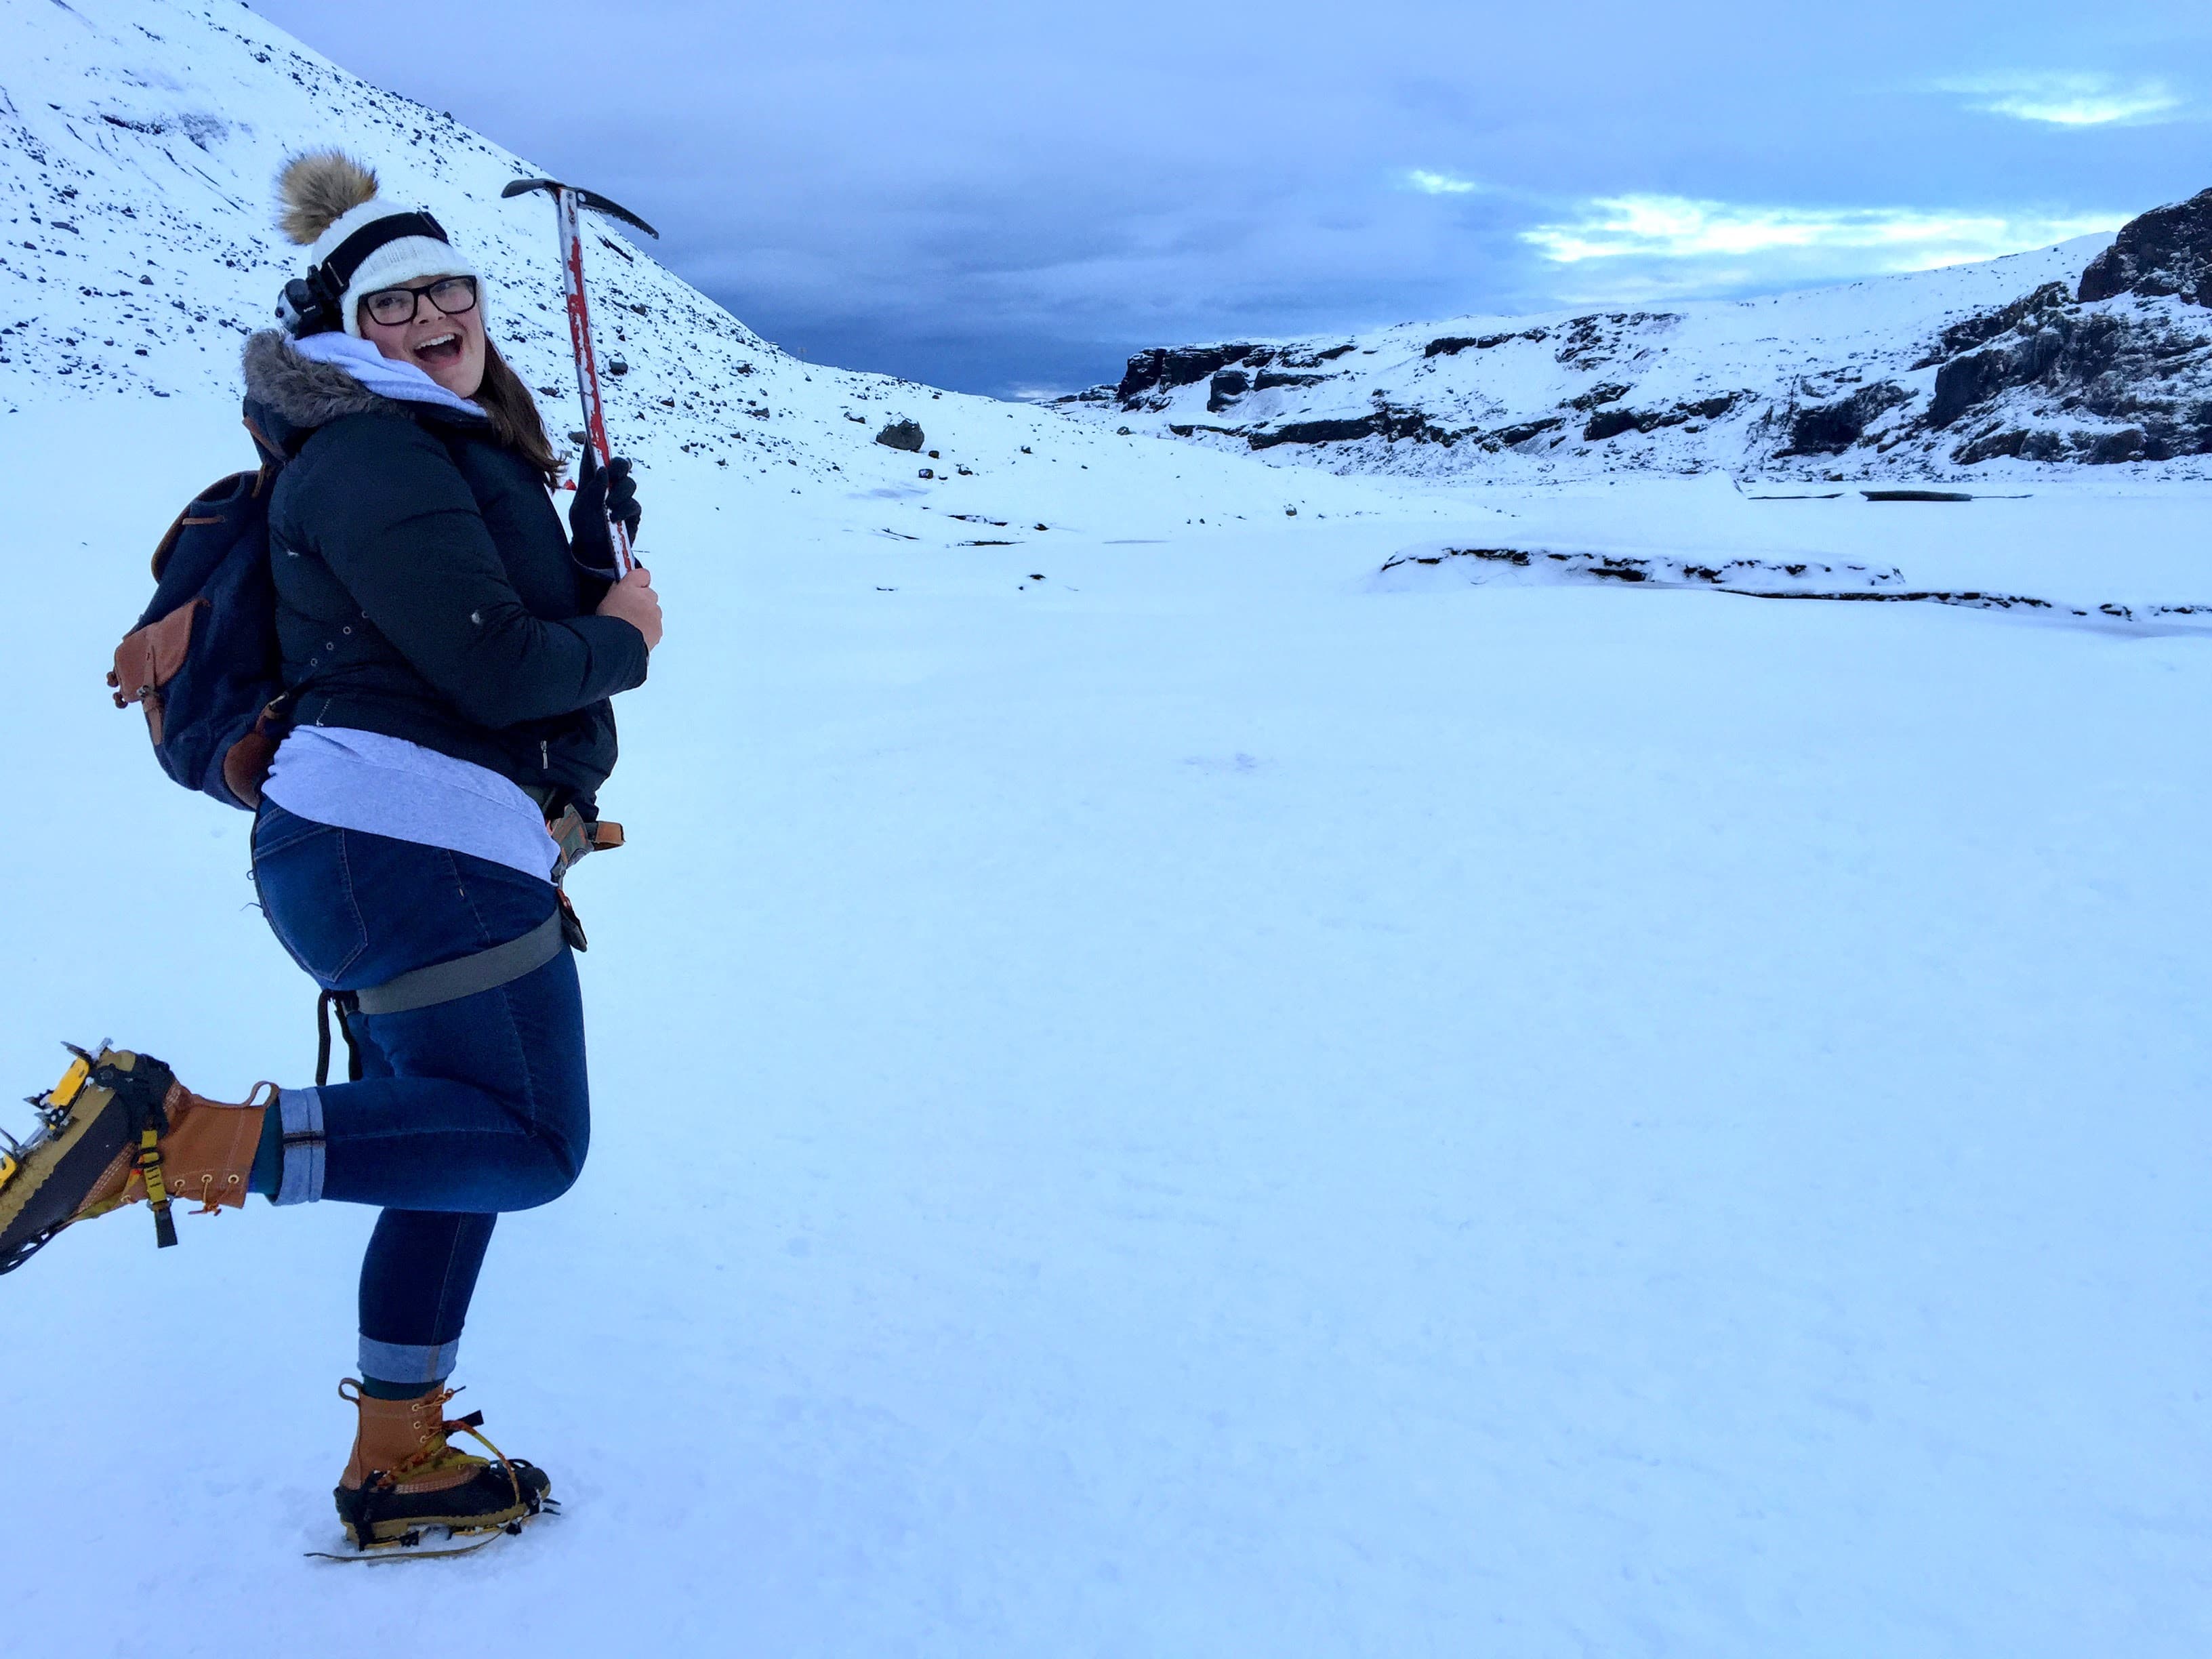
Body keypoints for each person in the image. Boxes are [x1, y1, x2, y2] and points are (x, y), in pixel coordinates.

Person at [0, 151, 663, 1551]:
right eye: (393, 303)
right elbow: (496, 665)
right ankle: (170, 1140)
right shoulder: (376, 451)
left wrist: (585, 570)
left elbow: (474, 636)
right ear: (341, 330)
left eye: (448, 292)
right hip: (408, 841)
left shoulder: (426, 444)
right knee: (529, 1143)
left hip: (390, 849)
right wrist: (628, 635)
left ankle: (399, 1461)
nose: (430, 320)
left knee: (444, 1154)